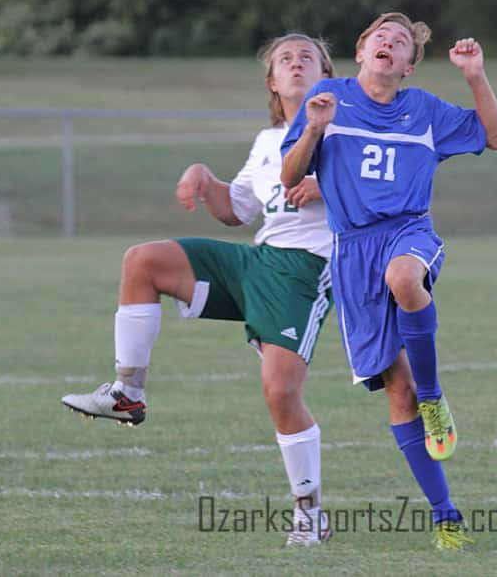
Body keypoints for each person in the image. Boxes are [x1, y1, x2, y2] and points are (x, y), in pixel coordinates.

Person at [62, 33, 335, 546]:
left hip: (306, 270)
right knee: (143, 261)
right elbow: (239, 211)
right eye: (284, 59)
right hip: (257, 260)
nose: (296, 63)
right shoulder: (266, 139)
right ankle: (127, 391)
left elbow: (384, 186)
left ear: (328, 75)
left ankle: (309, 512)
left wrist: (335, 186)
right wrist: (205, 179)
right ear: (273, 83)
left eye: (308, 58)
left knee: (280, 391)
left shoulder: (349, 129)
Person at [281, 12, 497, 551]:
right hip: (351, 253)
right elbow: (289, 177)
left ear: (407, 67)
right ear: (361, 53)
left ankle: (435, 397)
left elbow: (495, 137)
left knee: (406, 278)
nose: (389, 42)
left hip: (407, 231)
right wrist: (313, 128)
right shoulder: (329, 96)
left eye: (401, 42)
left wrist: (475, 75)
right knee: (396, 392)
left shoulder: (425, 110)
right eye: (380, 37)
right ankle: (446, 518)